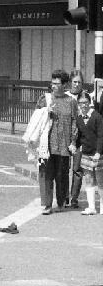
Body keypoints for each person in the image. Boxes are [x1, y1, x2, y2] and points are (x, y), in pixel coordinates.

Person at [35, 69, 79, 215]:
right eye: (52, 83)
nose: (53, 86)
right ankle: (47, 205)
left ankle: (60, 203)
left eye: (57, 83)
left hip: (64, 146)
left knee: (62, 175)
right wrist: (46, 112)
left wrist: (73, 141)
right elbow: (36, 119)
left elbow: (74, 122)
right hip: (47, 145)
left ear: (65, 85)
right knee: (47, 176)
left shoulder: (71, 101)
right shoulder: (45, 99)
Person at [73, 91, 103, 215]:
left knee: (101, 180)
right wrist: (74, 144)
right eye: (81, 103)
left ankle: (102, 207)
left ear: (89, 103)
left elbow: (101, 136)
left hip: (98, 154)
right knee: (89, 179)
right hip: (85, 153)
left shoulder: (97, 117)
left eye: (85, 102)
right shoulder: (79, 118)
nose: (83, 105)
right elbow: (80, 135)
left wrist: (98, 152)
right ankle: (91, 207)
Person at [66, 69, 90, 209]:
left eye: (79, 82)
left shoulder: (86, 97)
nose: (76, 84)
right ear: (70, 82)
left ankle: (74, 199)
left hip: (80, 139)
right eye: (74, 82)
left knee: (77, 170)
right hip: (65, 137)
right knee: (63, 170)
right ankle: (64, 198)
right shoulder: (65, 96)